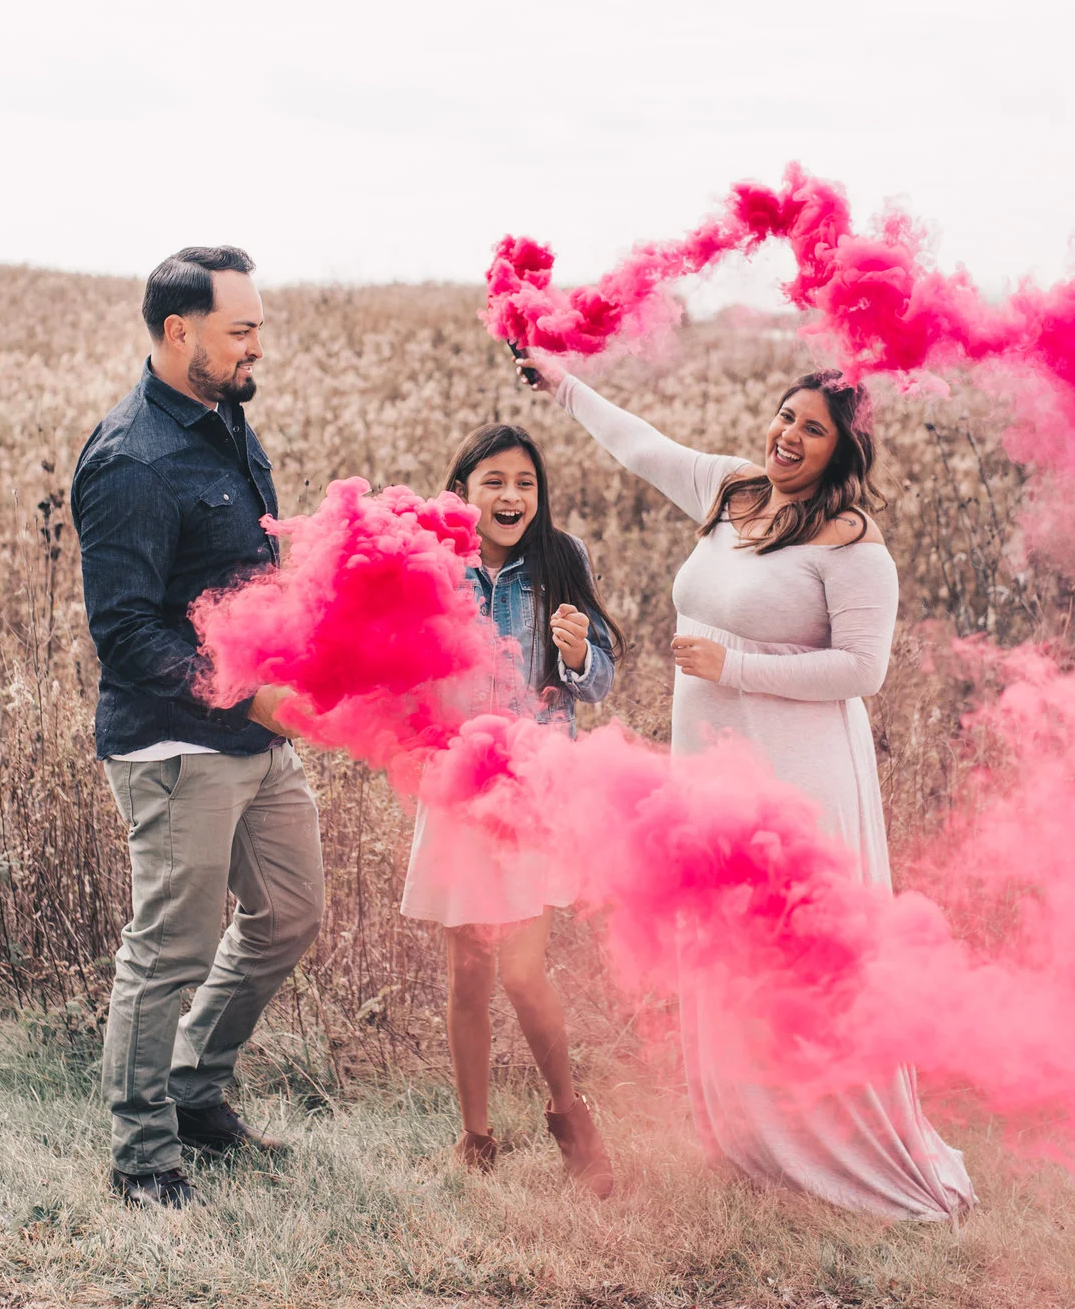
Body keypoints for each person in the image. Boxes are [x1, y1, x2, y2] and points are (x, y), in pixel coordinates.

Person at [524, 355, 974, 1222]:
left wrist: (734, 663)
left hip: (797, 770)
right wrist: (564, 384)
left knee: (795, 954)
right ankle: (757, 1142)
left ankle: (843, 1148)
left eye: (812, 429)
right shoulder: (734, 492)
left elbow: (863, 671)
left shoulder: (851, 544)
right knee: (731, 949)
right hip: (713, 759)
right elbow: (640, 446)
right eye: (784, 416)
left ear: (844, 450)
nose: (788, 436)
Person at [71, 245, 324, 1211]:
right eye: (240, 329)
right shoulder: (131, 458)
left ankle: (193, 1091)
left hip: (258, 739)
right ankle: (143, 1158)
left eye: (258, 324)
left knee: (290, 914)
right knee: (168, 952)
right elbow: (125, 632)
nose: (257, 343)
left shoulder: (227, 421)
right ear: (181, 334)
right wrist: (246, 696)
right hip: (177, 747)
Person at [399, 424, 620, 1192]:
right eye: (493, 481)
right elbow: (399, 674)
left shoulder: (563, 559)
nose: (511, 496)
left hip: (533, 788)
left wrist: (577, 652)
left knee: (525, 972)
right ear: (462, 490)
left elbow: (598, 682)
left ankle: (569, 1113)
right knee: (468, 969)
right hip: (459, 785)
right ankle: (476, 1136)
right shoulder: (432, 565)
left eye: (524, 482)